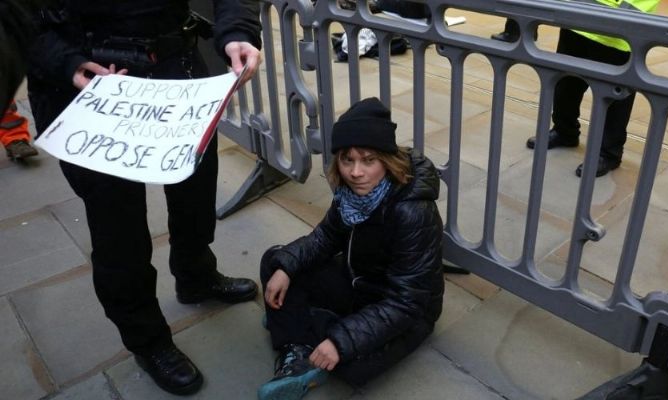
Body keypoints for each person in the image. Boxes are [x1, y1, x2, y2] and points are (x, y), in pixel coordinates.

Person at [26, 0, 262, 395]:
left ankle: (196, 276)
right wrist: (65, 62)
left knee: (196, 191)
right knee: (119, 230)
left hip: (176, 67)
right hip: (91, 85)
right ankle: (147, 340)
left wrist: (238, 31)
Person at [258, 97, 444, 400]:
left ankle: (297, 325)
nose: (356, 172)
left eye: (368, 160)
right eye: (347, 160)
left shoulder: (412, 212)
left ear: (387, 160)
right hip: (358, 283)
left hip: (404, 309)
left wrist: (340, 341)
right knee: (275, 262)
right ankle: (298, 345)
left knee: (353, 367)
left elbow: (407, 302)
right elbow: (324, 238)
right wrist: (287, 267)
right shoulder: (352, 192)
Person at [494, 0, 661, 177]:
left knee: (615, 100)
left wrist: (619, 18)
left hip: (616, 34)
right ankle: (564, 131)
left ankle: (608, 153)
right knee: (565, 86)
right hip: (576, 22)